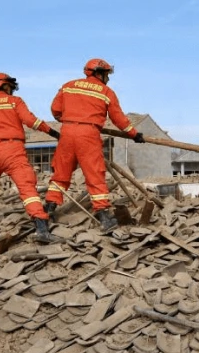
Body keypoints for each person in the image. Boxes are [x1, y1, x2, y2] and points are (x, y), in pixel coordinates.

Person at [46, 58, 144, 233]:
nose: (108, 78)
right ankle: (104, 218)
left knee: (60, 174)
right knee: (95, 175)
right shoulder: (106, 92)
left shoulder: (68, 85)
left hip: (67, 133)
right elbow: (118, 118)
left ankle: (48, 211)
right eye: (107, 74)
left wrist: (70, 119)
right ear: (99, 73)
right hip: (88, 135)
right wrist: (134, 134)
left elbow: (55, 109)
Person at [0, 72, 62, 244]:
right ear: (5, 86)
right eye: (10, 86)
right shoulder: (14, 102)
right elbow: (30, 121)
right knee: (27, 188)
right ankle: (41, 228)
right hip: (12, 149)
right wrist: (53, 132)